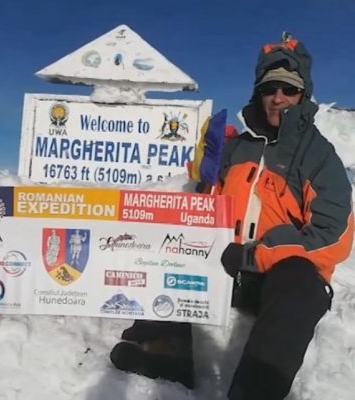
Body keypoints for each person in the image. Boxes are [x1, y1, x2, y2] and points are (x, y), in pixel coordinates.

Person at [110, 35, 354, 400]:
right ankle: (167, 355)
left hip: (282, 278)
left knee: (300, 283)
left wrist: (255, 255)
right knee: (173, 253)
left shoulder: (318, 155)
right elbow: (204, 213)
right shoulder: (237, 147)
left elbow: (332, 234)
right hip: (229, 268)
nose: (278, 97)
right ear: (258, 92)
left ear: (303, 95)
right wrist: (205, 177)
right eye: (269, 88)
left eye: (289, 89)